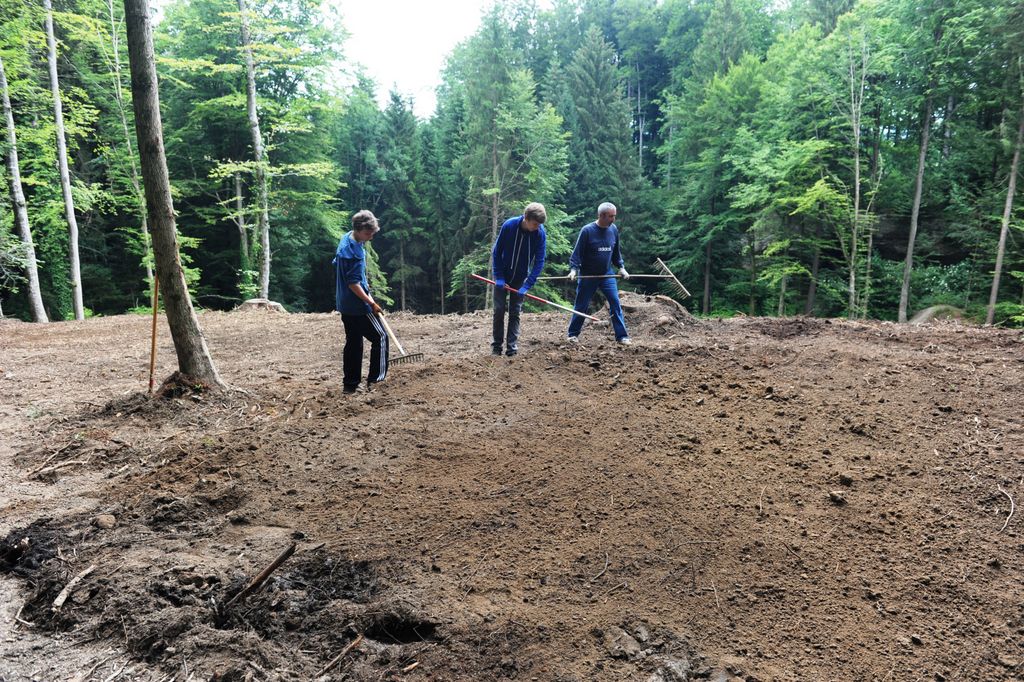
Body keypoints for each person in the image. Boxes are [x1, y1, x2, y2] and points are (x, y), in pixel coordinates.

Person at [334, 210, 389, 394]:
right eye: (367, 233)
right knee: (381, 337)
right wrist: (371, 303)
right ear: (358, 229)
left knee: (354, 341)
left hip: (344, 303)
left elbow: (338, 265)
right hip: (358, 306)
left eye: (372, 233)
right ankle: (376, 380)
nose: (370, 237)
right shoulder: (355, 253)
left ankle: (350, 385)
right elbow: (353, 284)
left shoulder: (346, 239)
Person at [566, 202, 631, 345]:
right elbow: (577, 253)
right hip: (588, 275)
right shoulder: (587, 231)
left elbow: (616, 252)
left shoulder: (613, 229)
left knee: (615, 303)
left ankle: (622, 336)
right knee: (581, 305)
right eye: (611, 216)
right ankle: (573, 335)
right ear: (602, 215)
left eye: (614, 216)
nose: (614, 219)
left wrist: (621, 267)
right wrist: (573, 270)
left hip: (607, 274)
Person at [491, 202, 547, 356]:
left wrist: (527, 285)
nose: (537, 227)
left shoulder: (540, 233)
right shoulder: (509, 226)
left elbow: (539, 261)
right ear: (526, 218)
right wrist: (499, 277)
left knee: (515, 312)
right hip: (502, 275)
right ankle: (496, 347)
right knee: (499, 310)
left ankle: (511, 348)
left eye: (539, 225)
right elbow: (496, 252)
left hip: (520, 278)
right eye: (535, 224)